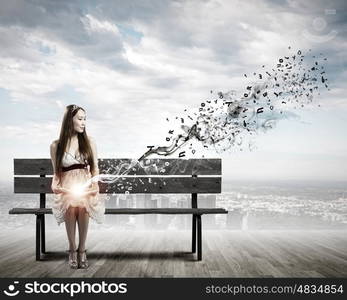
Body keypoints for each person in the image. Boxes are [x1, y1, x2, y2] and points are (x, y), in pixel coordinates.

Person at [50, 104, 105, 269]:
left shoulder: (89, 142)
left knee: (82, 205)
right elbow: (57, 172)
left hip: (85, 185)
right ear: (69, 120)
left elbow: (95, 168)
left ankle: (82, 250)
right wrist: (57, 185)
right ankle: (72, 249)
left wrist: (95, 185)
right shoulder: (56, 145)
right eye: (80, 119)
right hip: (67, 187)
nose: (83, 123)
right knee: (70, 204)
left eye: (85, 119)